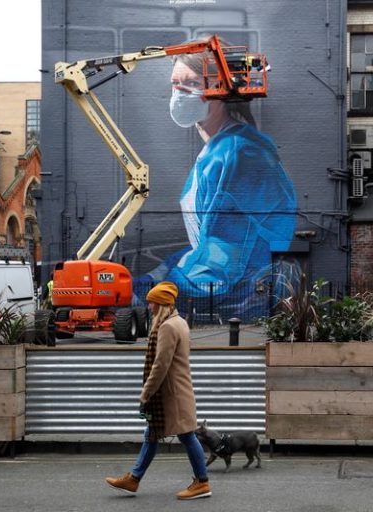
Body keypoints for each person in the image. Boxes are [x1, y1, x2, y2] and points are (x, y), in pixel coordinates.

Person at [137, 37, 298, 317]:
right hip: (230, 294)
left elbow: (222, 262)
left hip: (242, 306)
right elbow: (205, 246)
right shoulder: (219, 150)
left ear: (219, 89)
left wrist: (148, 293)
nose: (179, 94)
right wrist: (154, 277)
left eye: (190, 84)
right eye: (175, 85)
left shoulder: (239, 155)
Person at [105, 281, 211, 500]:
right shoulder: (179, 321)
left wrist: (145, 394)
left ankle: (202, 482)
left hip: (171, 394)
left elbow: (160, 365)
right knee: (153, 435)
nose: (149, 308)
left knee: (187, 436)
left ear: (161, 305)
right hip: (177, 390)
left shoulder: (168, 327)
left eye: (152, 304)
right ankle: (133, 479)